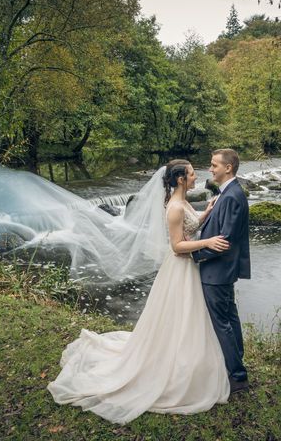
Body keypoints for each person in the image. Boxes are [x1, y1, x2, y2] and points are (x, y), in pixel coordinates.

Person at [47, 160, 232, 424]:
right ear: (180, 179)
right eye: (191, 174)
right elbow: (178, 245)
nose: (196, 177)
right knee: (177, 315)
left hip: (187, 269)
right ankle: (171, 363)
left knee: (184, 317)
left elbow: (189, 225)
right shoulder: (175, 207)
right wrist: (209, 242)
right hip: (179, 268)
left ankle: (183, 358)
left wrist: (205, 213)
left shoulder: (183, 202)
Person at [192, 149, 251, 394]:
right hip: (222, 270)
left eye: (214, 164)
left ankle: (237, 376)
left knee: (222, 323)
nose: (211, 168)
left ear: (228, 168)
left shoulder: (231, 196)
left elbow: (224, 240)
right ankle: (237, 367)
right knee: (230, 319)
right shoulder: (227, 194)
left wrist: (194, 255)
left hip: (217, 271)